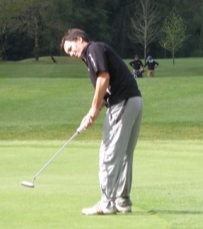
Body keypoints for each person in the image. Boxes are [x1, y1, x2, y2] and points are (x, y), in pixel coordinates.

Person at [60, 29, 144, 216]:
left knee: (108, 154)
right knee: (123, 155)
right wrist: (93, 112)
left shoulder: (93, 49)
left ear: (80, 39)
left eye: (71, 48)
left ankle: (107, 202)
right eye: (68, 53)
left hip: (122, 102)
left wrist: (93, 107)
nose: (72, 54)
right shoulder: (92, 55)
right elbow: (105, 88)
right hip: (134, 101)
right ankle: (122, 201)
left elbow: (103, 78)